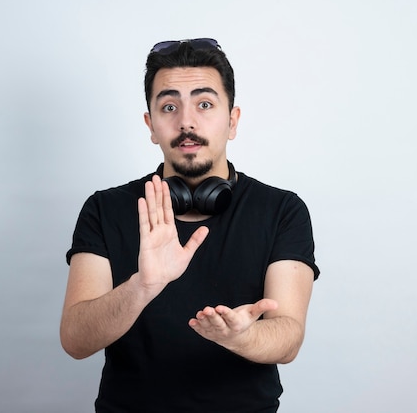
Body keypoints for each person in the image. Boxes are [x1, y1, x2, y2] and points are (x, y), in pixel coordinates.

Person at [60, 38, 320, 412]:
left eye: (204, 104)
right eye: (169, 106)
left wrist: (241, 337)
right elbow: (75, 339)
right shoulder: (106, 209)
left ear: (232, 121)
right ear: (151, 125)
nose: (186, 121)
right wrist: (142, 286)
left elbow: (289, 337)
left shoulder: (282, 210)